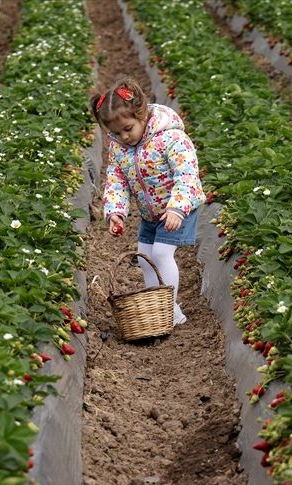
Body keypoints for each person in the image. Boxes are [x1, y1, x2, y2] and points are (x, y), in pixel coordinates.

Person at [91, 78, 206, 325]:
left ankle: (170, 309)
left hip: (178, 208)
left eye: (128, 128)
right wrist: (116, 212)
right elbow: (116, 179)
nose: (124, 136)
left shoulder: (171, 137)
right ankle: (154, 308)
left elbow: (187, 175)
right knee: (145, 257)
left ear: (142, 114)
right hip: (150, 213)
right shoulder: (119, 147)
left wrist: (177, 208)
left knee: (162, 253)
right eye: (116, 132)